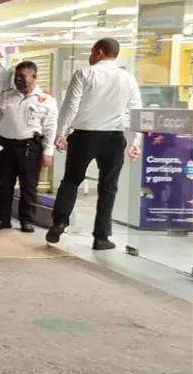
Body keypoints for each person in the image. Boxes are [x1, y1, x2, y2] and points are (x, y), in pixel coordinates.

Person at [47, 38, 143, 250]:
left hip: (84, 136)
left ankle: (59, 223)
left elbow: (70, 106)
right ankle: (101, 237)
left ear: (98, 52)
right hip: (114, 138)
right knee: (108, 188)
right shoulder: (128, 78)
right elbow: (136, 112)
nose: (90, 56)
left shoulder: (84, 74)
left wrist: (61, 133)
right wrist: (135, 141)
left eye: (91, 52)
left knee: (71, 181)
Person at [0, 61, 58, 233]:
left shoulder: (46, 100)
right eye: (16, 76)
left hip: (30, 147)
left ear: (34, 77)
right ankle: (2, 219)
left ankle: (26, 220)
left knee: (28, 186)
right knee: (5, 186)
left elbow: (50, 128)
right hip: (5, 146)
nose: (18, 79)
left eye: (22, 76)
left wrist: (48, 152)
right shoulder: (6, 96)